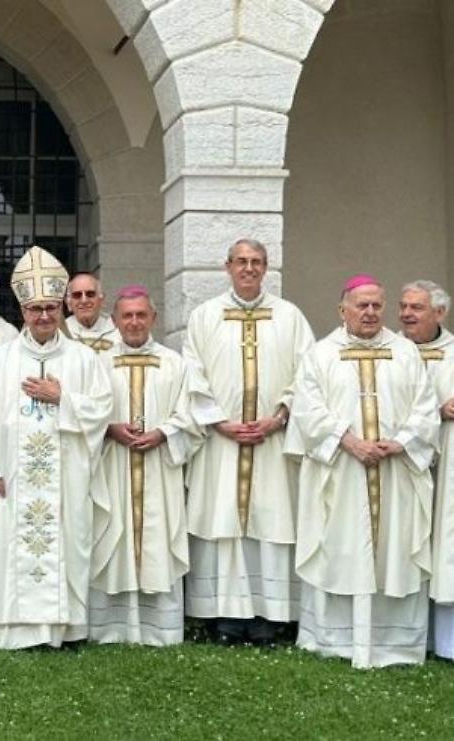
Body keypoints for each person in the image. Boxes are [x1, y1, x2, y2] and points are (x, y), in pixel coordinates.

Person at [290, 274, 438, 668]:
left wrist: (400, 442)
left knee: (394, 552)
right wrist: (348, 440)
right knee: (340, 549)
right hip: (341, 472)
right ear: (343, 309)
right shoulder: (320, 354)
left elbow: (425, 408)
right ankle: (336, 640)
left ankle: (395, 645)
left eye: (376, 305)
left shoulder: (406, 353)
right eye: (362, 305)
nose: (370, 312)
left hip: (395, 474)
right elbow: (307, 410)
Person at [0, 246, 112, 649]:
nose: (45, 316)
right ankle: (12, 631)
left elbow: (102, 410)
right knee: (9, 546)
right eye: (36, 309)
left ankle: (64, 630)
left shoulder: (84, 359)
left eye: (51, 307)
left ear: (62, 307)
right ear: (23, 311)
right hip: (14, 475)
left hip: (67, 472)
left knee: (70, 542)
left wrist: (61, 398)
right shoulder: (0, 358)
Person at [182, 238, 314, 644]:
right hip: (221, 442)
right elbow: (192, 372)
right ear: (227, 267)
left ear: (266, 267)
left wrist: (279, 418)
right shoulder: (205, 316)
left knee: (271, 524)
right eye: (241, 261)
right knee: (223, 524)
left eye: (256, 262)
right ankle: (224, 617)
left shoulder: (290, 317)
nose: (249, 268)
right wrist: (219, 421)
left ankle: (270, 618)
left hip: (271, 441)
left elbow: (308, 375)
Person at [89, 286, 208, 646]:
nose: (135, 322)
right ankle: (111, 628)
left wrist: (163, 433)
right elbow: (84, 413)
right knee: (113, 537)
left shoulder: (176, 364)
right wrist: (110, 429)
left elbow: (192, 416)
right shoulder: (97, 364)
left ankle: (160, 629)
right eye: (127, 315)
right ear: (114, 321)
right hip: (113, 467)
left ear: (153, 318)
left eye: (142, 315)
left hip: (159, 465)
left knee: (158, 540)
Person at [400, 280, 454, 660]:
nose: (406, 314)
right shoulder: (391, 353)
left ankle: (446, 640)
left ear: (440, 313)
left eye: (416, 308)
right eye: (403, 306)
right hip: (403, 464)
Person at [64, 272, 120, 353]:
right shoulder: (61, 332)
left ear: (101, 300)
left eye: (90, 294)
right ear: (69, 303)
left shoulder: (117, 329)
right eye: (77, 295)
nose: (84, 300)